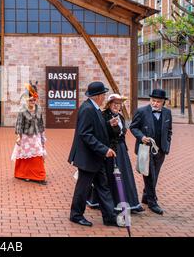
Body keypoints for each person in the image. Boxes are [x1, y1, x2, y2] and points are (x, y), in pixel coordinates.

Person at [68, 81, 121, 227]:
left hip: (96, 157)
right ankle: (76, 215)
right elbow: (85, 134)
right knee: (83, 188)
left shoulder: (94, 108)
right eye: (103, 94)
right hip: (88, 157)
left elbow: (96, 127)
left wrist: (109, 124)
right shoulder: (87, 109)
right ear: (97, 96)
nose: (104, 96)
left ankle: (109, 217)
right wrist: (104, 149)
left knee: (103, 187)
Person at [87, 94, 145, 214]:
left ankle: (130, 203)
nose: (116, 106)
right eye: (114, 104)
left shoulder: (121, 117)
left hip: (121, 150)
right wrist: (109, 125)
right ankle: (110, 203)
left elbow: (122, 133)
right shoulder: (103, 116)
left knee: (125, 175)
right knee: (110, 176)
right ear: (109, 104)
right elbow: (100, 133)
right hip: (109, 150)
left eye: (119, 104)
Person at [129, 89, 172, 215]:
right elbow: (133, 127)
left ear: (163, 102)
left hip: (161, 150)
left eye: (158, 101)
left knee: (155, 175)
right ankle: (152, 202)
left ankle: (146, 196)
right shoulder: (141, 111)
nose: (155, 103)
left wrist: (167, 145)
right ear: (150, 100)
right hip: (145, 149)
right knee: (149, 175)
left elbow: (169, 131)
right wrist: (142, 137)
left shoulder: (167, 113)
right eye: (153, 100)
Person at [12, 82, 47, 185]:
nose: (32, 101)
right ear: (27, 100)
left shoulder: (39, 109)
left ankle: (40, 176)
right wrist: (19, 137)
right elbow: (19, 124)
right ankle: (24, 174)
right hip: (26, 137)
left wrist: (42, 136)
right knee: (25, 156)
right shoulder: (22, 110)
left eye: (34, 100)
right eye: (30, 100)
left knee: (38, 153)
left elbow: (41, 123)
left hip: (36, 136)